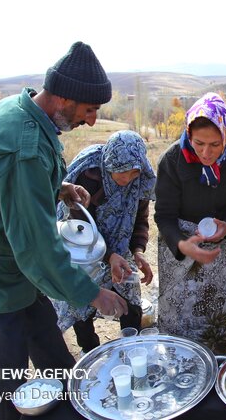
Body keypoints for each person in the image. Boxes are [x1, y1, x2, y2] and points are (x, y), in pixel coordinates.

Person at [0, 41, 127, 420]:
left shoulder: (20, 110)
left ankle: (69, 407)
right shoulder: (24, 148)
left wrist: (58, 188)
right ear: (63, 99)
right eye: (90, 109)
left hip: (18, 268)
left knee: (54, 356)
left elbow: (8, 190)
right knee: (7, 385)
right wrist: (92, 294)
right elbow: (34, 245)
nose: (93, 120)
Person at [154, 92, 226, 354]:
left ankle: (222, 360)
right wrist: (183, 245)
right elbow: (163, 215)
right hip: (179, 246)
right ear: (188, 134)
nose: (206, 153)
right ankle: (182, 359)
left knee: (220, 311)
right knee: (181, 314)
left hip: (219, 245)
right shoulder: (173, 160)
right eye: (198, 144)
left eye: (215, 145)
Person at [53, 130, 156, 353]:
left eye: (132, 174)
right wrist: (108, 256)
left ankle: (131, 346)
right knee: (84, 300)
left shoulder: (140, 181)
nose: (126, 180)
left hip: (119, 245)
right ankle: (89, 350)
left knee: (130, 298)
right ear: (109, 165)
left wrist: (137, 251)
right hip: (84, 249)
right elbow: (80, 225)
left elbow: (140, 218)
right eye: (120, 174)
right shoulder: (88, 176)